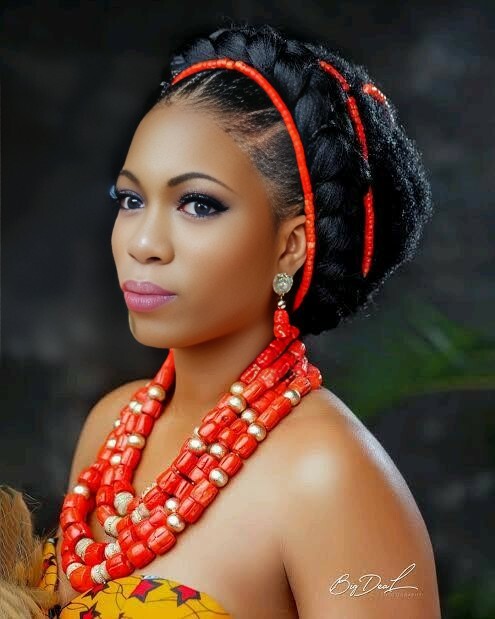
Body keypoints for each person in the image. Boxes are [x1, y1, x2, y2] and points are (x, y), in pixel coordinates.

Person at [11, 20, 441, 618]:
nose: (144, 243)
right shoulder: (112, 426)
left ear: (291, 246)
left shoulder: (327, 474)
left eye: (198, 204)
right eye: (131, 200)